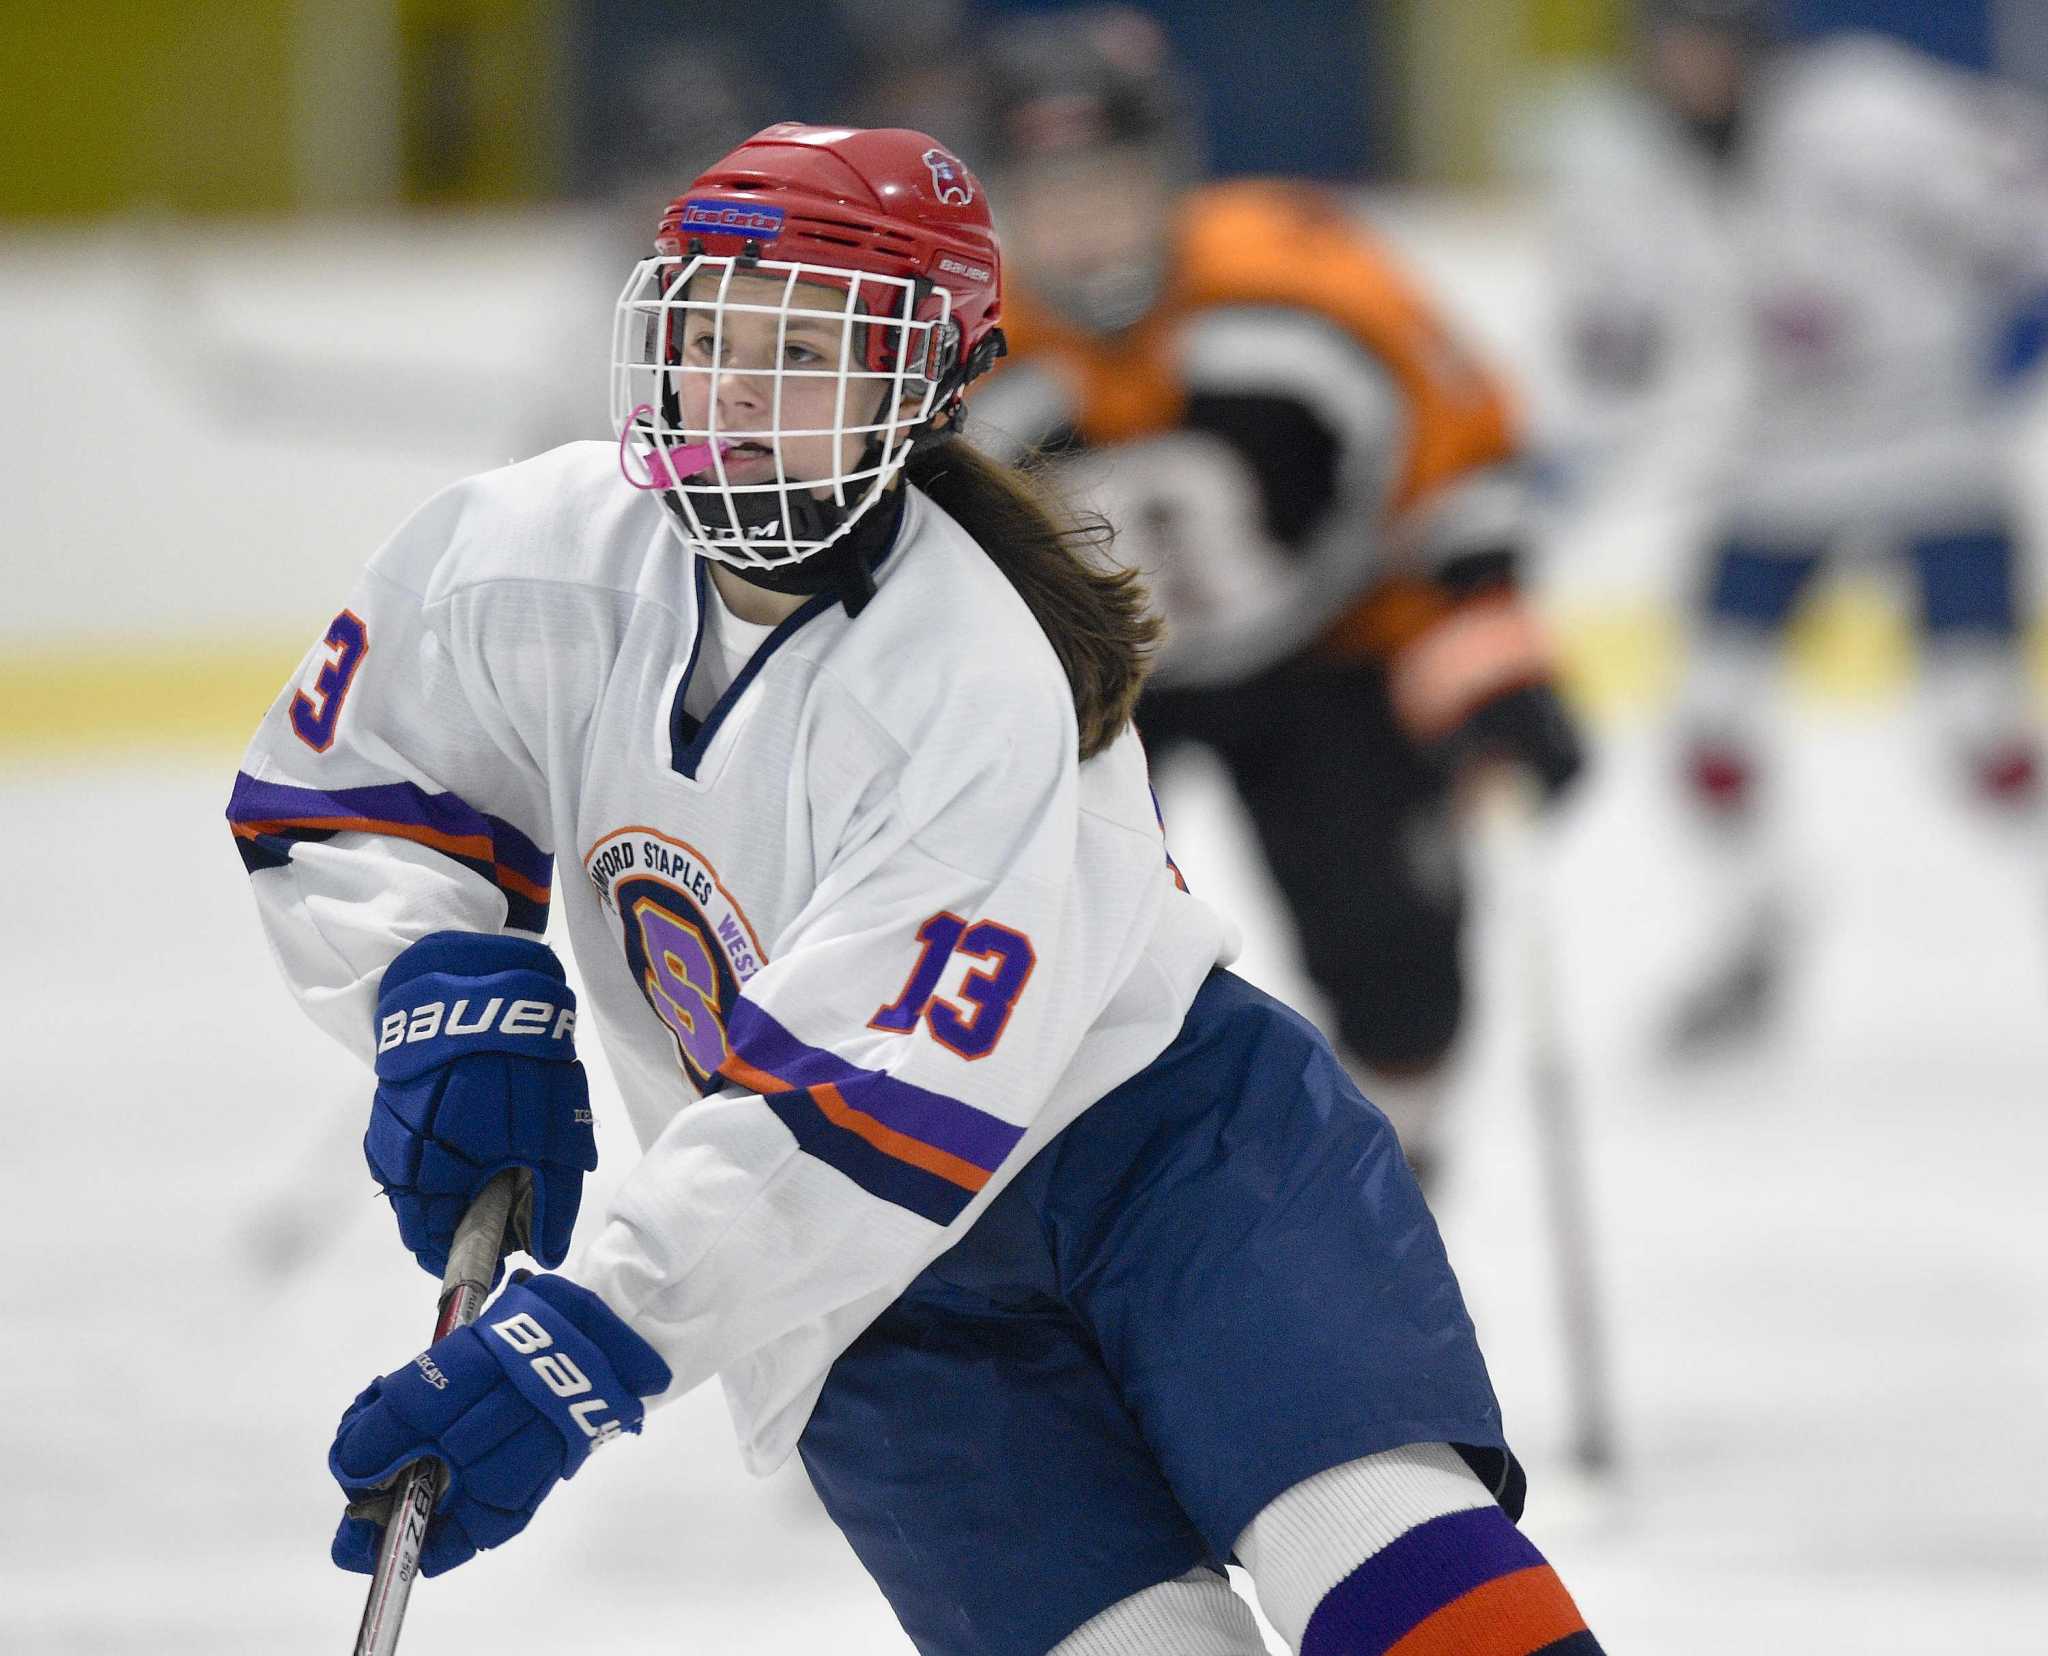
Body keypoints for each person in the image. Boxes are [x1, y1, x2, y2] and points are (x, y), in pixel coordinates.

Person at [226, 122, 1605, 1655]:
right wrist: (425, 986)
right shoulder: (523, 553)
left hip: (1166, 1167)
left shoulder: (969, 672)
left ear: (928, 385)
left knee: (1375, 1556)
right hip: (861, 1306)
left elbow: (863, 1103)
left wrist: (590, 1338)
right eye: (712, 332)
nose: (739, 384)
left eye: (807, 346)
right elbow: (342, 788)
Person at [961, 8, 1585, 1182]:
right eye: (1048, 194)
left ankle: (1395, 1184)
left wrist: (1495, 658)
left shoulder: (1301, 282)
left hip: (1323, 648)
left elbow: (1455, 467)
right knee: (1047, 967)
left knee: (1396, 954)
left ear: (1171, 178)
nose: (1085, 227)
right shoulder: (969, 356)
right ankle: (1088, 1228)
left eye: (1110, 184)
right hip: (1102, 695)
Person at [1538, 0, 2047, 1051]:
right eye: (1670, 45)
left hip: (1929, 456)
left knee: (1981, 731)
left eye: (1708, 40)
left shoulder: (1865, 111)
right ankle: (1748, 934)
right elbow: (1610, 340)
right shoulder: (1624, 165)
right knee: (1708, 723)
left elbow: (2021, 209)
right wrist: (1605, 367)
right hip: (1769, 475)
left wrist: (2002, 355)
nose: (1690, 66)